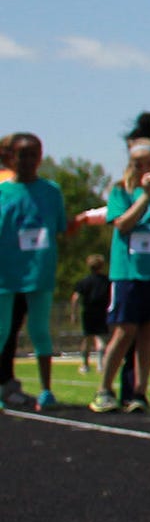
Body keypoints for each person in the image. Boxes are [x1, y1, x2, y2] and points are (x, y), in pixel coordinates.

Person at [94, 116, 150, 413]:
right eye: (138, 164)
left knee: (149, 331)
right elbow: (122, 225)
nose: (144, 169)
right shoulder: (120, 191)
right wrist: (143, 198)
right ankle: (104, 389)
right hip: (127, 273)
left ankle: (139, 392)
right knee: (124, 331)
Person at [0, 133, 69, 410]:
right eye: (22, 155)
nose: (28, 161)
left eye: (33, 154)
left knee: (40, 330)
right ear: (10, 158)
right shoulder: (3, 192)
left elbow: (60, 227)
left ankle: (46, 390)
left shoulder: (51, 191)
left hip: (40, 272)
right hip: (5, 274)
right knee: (2, 331)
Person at [72, 255, 110, 375]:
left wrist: (74, 313)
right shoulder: (107, 281)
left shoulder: (84, 281)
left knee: (87, 339)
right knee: (101, 339)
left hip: (88, 312)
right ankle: (100, 364)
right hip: (103, 312)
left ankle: (85, 365)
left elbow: (75, 298)